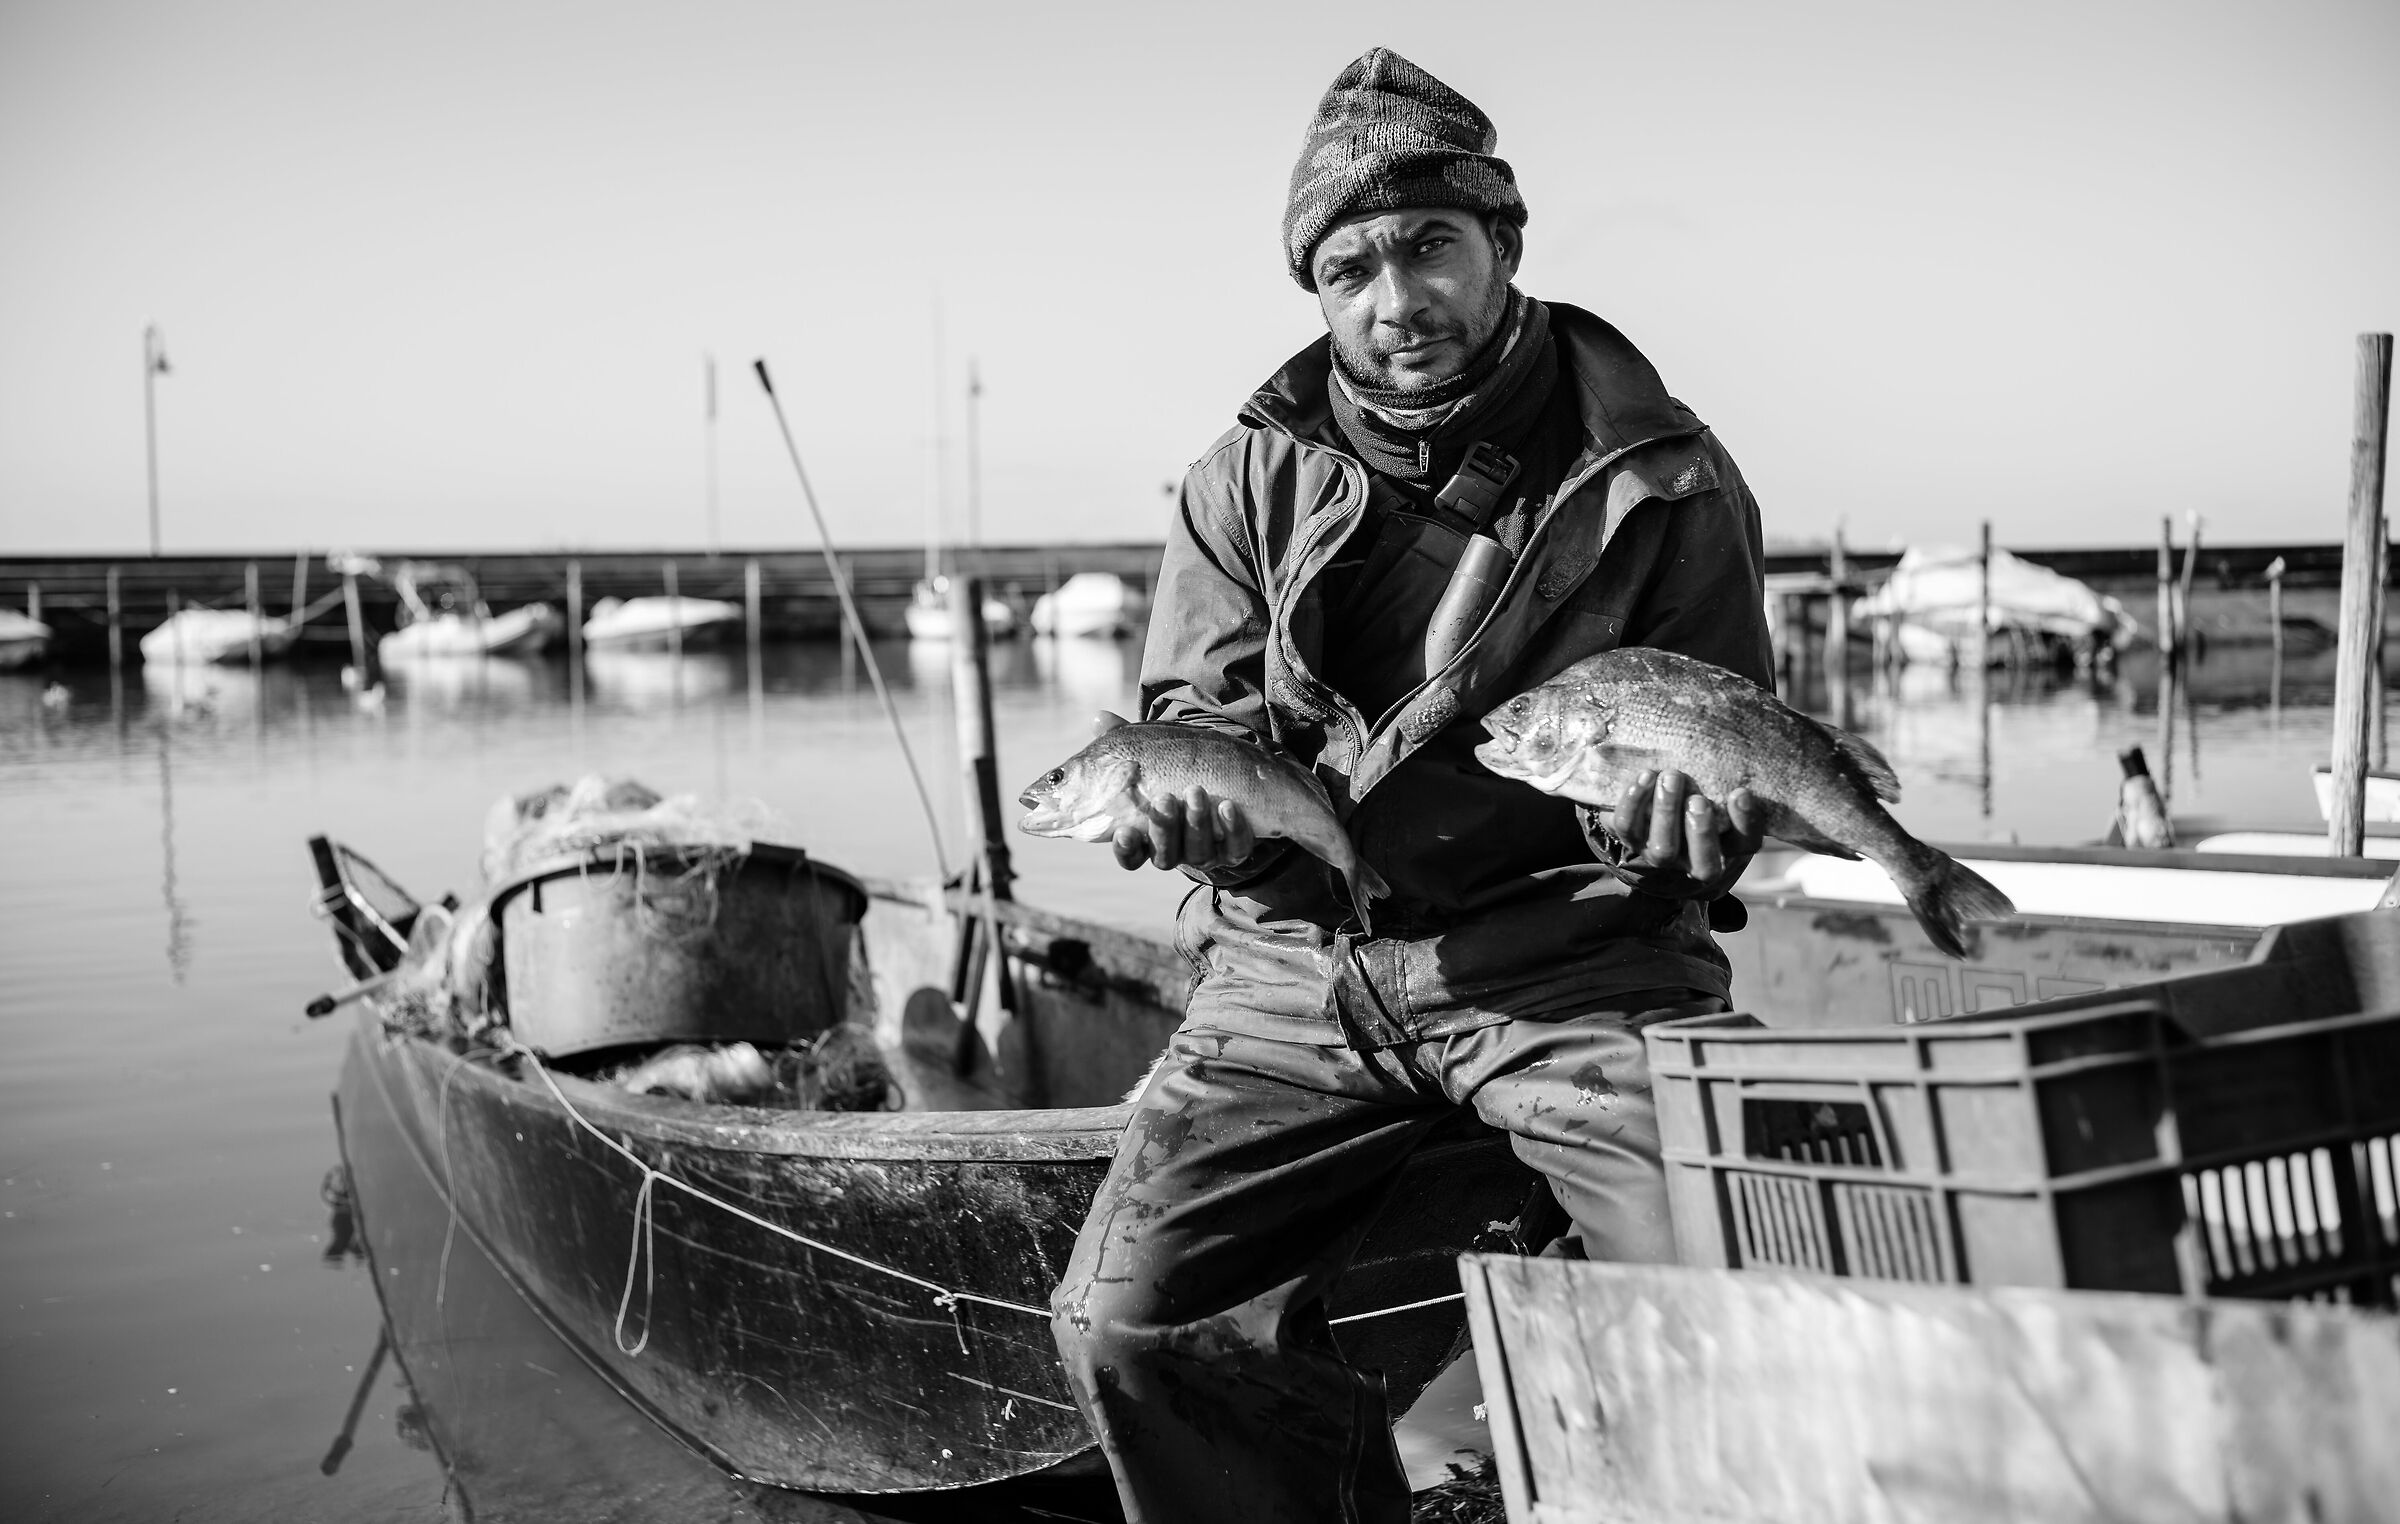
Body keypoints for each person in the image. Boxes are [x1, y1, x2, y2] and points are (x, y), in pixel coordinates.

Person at [1048, 47, 1775, 1524]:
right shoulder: (1238, 480)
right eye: (1352, 266)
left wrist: (1692, 839)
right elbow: (1197, 717)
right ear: (1315, 292)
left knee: (1712, 1286)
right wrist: (1229, 849)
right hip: (1292, 975)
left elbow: (1724, 747)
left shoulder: (1669, 481)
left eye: (1431, 246)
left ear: (1503, 243)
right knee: (1125, 1323)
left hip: (1573, 962)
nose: (1398, 300)